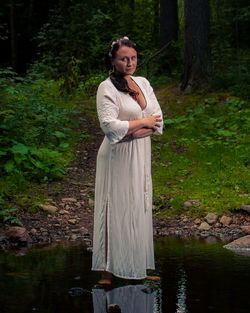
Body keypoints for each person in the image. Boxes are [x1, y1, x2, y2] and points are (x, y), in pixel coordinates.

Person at [92, 37, 163, 284]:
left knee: (137, 206)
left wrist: (133, 130)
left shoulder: (142, 83)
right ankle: (107, 271)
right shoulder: (106, 88)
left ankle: (133, 266)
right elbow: (109, 127)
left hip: (139, 154)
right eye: (124, 58)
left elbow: (158, 120)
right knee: (115, 206)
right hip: (116, 158)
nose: (129, 63)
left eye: (133, 58)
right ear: (113, 61)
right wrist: (142, 123)